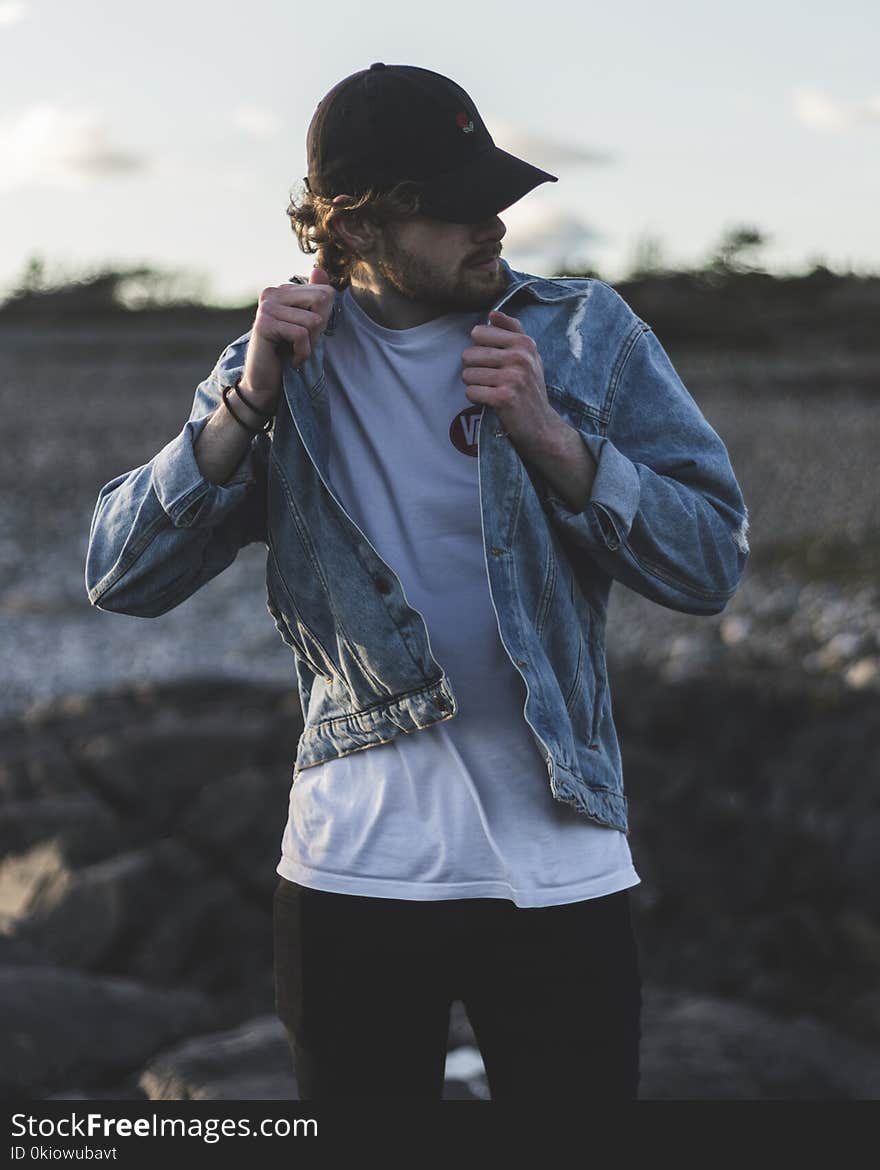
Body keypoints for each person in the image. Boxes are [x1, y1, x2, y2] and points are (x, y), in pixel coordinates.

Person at [85, 63, 750, 1101]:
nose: (490, 224)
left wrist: (554, 441)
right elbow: (118, 572)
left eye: (495, 197)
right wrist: (245, 406)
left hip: (561, 869)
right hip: (351, 876)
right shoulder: (277, 369)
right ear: (354, 229)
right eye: (453, 206)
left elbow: (709, 560)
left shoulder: (581, 337)